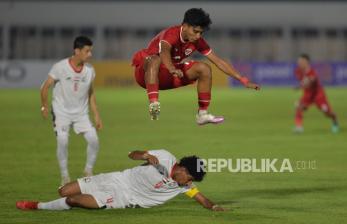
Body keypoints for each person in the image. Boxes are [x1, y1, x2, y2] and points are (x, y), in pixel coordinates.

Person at [132, 8, 259, 124]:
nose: (198, 36)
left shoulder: (198, 41)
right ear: (185, 26)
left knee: (204, 69)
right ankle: (154, 104)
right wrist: (172, 68)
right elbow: (164, 51)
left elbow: (218, 61)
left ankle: (202, 115)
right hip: (146, 75)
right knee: (154, 59)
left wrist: (243, 80)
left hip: (169, 75)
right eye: (195, 31)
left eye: (201, 33)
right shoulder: (171, 34)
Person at [16, 149, 225, 211]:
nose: (188, 181)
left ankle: (37, 206)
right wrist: (144, 156)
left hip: (123, 197)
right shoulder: (163, 157)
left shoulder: (184, 186)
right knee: (64, 192)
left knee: (73, 200)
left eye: (191, 179)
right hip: (117, 178)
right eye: (189, 175)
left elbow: (202, 199)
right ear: (180, 167)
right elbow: (132, 154)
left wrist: (214, 207)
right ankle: (56, 203)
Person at [40, 36, 103, 185]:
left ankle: (88, 170)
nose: (90, 55)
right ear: (77, 51)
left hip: (81, 114)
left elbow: (91, 93)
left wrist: (96, 115)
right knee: (62, 141)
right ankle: (65, 176)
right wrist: (44, 106)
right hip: (61, 112)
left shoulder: (90, 70)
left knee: (94, 140)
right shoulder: (60, 67)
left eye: (91, 51)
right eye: (87, 51)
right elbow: (45, 87)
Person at [294, 54, 339, 133]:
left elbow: (312, 80)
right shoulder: (298, 71)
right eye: (299, 61)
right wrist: (301, 85)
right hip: (308, 94)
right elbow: (303, 82)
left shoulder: (312, 71)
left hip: (318, 94)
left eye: (301, 61)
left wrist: (304, 83)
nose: (299, 63)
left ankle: (335, 122)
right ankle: (299, 127)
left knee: (327, 112)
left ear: (306, 62)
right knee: (299, 106)